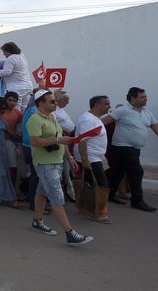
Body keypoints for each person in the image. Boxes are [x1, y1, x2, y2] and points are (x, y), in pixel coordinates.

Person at [27, 89, 94, 246]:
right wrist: (58, 140)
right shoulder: (35, 119)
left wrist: (69, 157)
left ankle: (37, 221)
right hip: (45, 163)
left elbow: (60, 139)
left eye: (55, 101)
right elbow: (35, 141)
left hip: (55, 161)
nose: (55, 103)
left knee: (42, 192)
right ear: (40, 103)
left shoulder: (52, 117)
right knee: (57, 197)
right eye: (52, 101)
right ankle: (70, 233)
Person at [102, 87, 158, 212]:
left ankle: (110, 195)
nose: (146, 99)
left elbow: (156, 127)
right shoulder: (122, 110)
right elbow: (104, 121)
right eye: (142, 97)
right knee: (137, 172)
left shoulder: (146, 112)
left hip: (135, 149)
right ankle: (137, 201)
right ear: (133, 98)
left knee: (119, 172)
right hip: (122, 147)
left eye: (145, 96)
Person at [73, 95, 112, 223]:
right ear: (96, 105)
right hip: (91, 158)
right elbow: (83, 140)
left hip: (95, 157)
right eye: (106, 104)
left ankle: (87, 209)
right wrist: (85, 160)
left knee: (91, 185)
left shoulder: (94, 118)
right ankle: (99, 214)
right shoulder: (88, 120)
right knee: (102, 186)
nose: (109, 107)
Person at [0, 42, 33, 112]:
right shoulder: (21, 56)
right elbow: (6, 61)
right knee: (24, 108)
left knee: (16, 109)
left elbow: (7, 72)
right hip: (28, 86)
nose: (3, 54)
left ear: (9, 51)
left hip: (17, 88)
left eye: (4, 51)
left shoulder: (11, 59)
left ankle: (16, 122)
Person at [2, 91, 24, 195]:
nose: (12, 102)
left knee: (14, 166)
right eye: (9, 100)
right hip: (1, 141)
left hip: (12, 142)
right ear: (5, 100)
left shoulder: (18, 113)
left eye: (14, 100)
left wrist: (19, 138)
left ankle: (13, 189)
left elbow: (20, 129)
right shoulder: (0, 112)